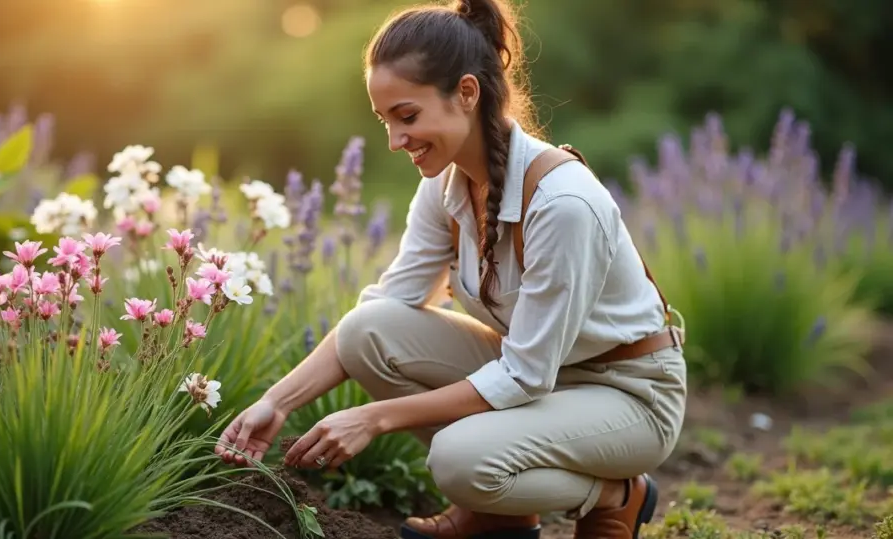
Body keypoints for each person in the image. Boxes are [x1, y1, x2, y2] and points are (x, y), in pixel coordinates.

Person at [213, 0, 688, 537]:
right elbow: (385, 308)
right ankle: (502, 517)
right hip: (545, 376)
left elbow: (526, 375)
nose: (395, 140)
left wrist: (372, 418)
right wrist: (276, 403)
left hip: (627, 395)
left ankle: (616, 495)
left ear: (466, 93)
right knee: (370, 330)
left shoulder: (563, 205)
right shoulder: (445, 184)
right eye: (385, 121)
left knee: (459, 460)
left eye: (407, 116)